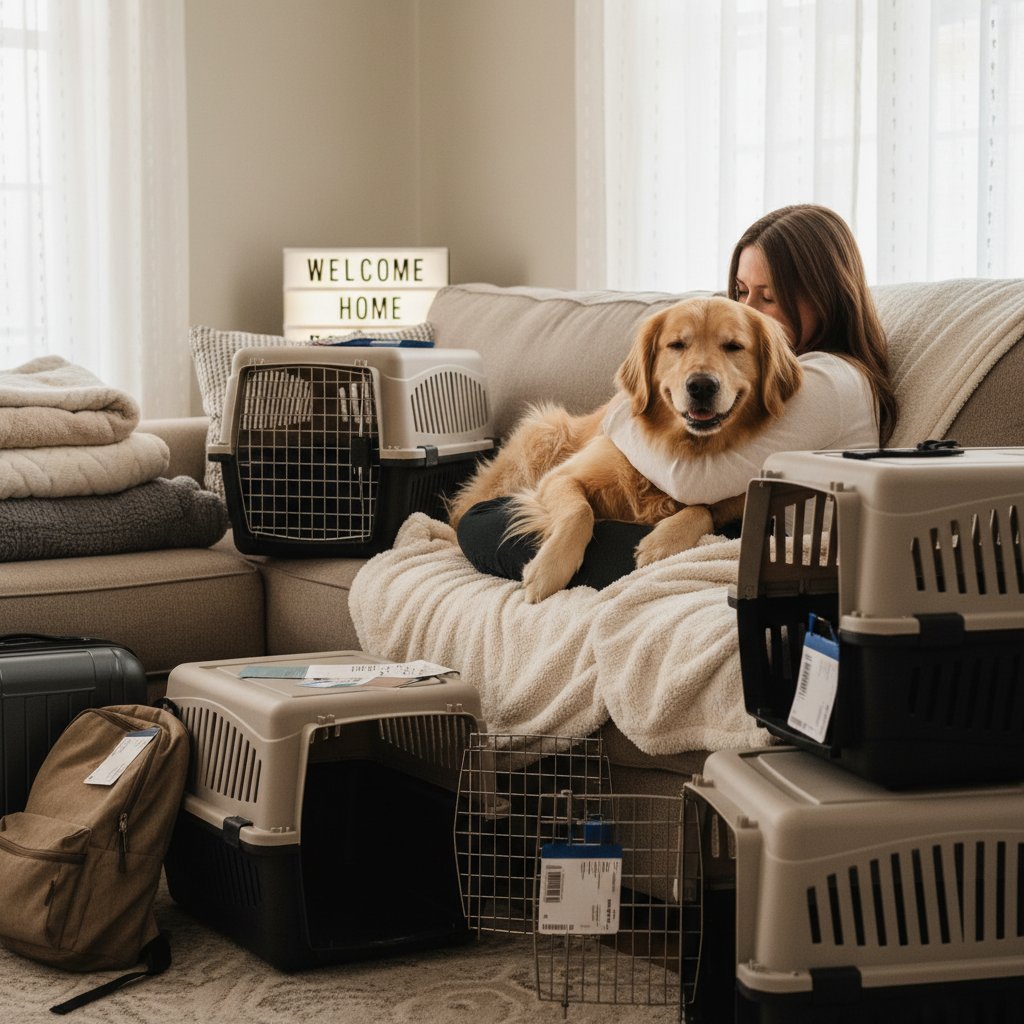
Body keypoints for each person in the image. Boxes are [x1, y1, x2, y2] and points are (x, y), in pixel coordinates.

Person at [457, 204, 898, 590]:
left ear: (826, 294)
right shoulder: (784, 375)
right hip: (715, 530)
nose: (747, 311)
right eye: (742, 292)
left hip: (762, 555)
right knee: (487, 513)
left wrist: (620, 412)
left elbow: (695, 484)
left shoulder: (827, 380)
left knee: (483, 526)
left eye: (770, 297)